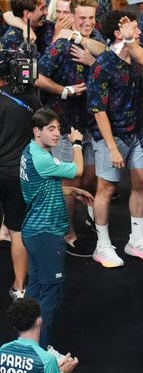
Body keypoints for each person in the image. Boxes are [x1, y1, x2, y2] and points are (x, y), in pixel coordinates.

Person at [88, 11, 143, 268]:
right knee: (106, 188)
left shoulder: (136, 56)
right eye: (134, 27)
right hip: (112, 135)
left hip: (138, 131)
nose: (139, 32)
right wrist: (111, 147)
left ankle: (136, 240)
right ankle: (102, 245)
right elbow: (98, 110)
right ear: (119, 32)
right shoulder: (103, 66)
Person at [34, 0, 103, 256]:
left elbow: (112, 67)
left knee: (91, 176)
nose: (87, 23)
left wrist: (92, 61)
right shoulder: (60, 45)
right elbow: (37, 77)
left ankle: (85, 217)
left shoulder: (97, 41)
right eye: (82, 17)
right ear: (72, 16)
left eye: (91, 17)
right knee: (69, 178)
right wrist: (64, 90)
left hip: (92, 122)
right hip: (63, 125)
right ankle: (66, 230)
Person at [19, 109, 91, 349]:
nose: (57, 134)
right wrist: (78, 144)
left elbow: (44, 189)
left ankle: (26, 340)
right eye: (50, 129)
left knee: (36, 288)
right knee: (52, 292)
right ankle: (43, 348)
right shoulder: (41, 158)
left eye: (58, 129)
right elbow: (78, 170)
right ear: (36, 131)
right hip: (46, 234)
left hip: (34, 231)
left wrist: (72, 191)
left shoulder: (31, 151)